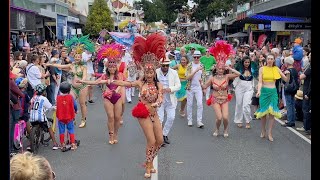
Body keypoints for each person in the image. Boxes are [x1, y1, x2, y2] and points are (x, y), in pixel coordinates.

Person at [107, 33, 165, 178]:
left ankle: (149, 161)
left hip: (154, 113)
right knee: (151, 140)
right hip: (143, 113)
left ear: (154, 71)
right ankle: (148, 165)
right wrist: (113, 81)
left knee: (160, 141)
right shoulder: (141, 83)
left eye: (151, 71)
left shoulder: (159, 84)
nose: (149, 74)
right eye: (147, 71)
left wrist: (158, 103)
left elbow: (161, 97)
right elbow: (126, 83)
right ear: (144, 71)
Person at [45, 35, 95, 128]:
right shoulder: (71, 65)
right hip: (73, 87)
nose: (77, 58)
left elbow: (84, 76)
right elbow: (60, 66)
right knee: (69, 101)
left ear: (81, 58)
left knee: (82, 104)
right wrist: (49, 64)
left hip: (82, 87)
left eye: (78, 57)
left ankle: (84, 119)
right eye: (75, 57)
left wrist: (82, 80)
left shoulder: (83, 67)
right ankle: (72, 117)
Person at [79, 55, 124, 145]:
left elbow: (121, 84)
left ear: (116, 67)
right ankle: (111, 135)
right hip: (108, 97)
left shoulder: (119, 75)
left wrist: (115, 90)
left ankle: (115, 134)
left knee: (117, 118)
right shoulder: (104, 76)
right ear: (108, 67)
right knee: (111, 117)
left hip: (117, 97)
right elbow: (95, 82)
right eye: (110, 66)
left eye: (114, 66)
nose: (112, 68)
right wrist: (83, 81)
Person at [201, 40, 241, 137]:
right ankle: (217, 129)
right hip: (215, 99)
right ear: (216, 69)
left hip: (225, 99)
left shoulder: (227, 76)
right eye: (219, 68)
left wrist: (230, 68)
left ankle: (226, 129)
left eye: (222, 69)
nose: (221, 70)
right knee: (219, 118)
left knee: (226, 117)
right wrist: (200, 82)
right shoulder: (212, 78)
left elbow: (239, 74)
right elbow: (204, 86)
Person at [255, 53, 289, 142]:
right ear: (266, 60)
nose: (270, 60)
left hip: (273, 92)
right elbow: (260, 82)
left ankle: (270, 133)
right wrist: (258, 91)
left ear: (274, 60)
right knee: (263, 114)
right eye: (268, 58)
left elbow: (286, 80)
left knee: (272, 113)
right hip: (264, 92)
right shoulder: (262, 69)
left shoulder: (276, 69)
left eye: (271, 59)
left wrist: (288, 73)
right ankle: (263, 130)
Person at [156, 57, 181, 145]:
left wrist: (169, 89)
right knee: (159, 119)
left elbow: (178, 86)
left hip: (170, 100)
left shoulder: (174, 73)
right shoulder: (156, 72)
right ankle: (159, 138)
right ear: (161, 65)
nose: (165, 67)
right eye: (164, 65)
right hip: (160, 99)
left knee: (171, 117)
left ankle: (164, 134)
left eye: (167, 65)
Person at [29, 84, 59, 150]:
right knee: (49, 128)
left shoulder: (33, 98)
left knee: (32, 128)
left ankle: (30, 144)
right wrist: (54, 108)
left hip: (32, 117)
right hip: (40, 117)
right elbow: (50, 107)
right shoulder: (44, 98)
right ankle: (55, 144)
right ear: (43, 92)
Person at [233, 56, 258, 128]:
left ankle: (248, 121)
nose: (247, 63)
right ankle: (239, 120)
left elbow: (257, 78)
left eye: (248, 62)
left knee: (246, 104)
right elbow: (234, 73)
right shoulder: (239, 69)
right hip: (239, 87)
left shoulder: (253, 69)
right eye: (245, 62)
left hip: (249, 87)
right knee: (239, 104)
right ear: (243, 62)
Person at [56, 82, 78, 151]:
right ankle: (73, 144)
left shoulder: (58, 97)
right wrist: (76, 110)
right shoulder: (70, 97)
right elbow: (75, 105)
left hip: (61, 117)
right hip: (69, 116)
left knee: (61, 131)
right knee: (71, 129)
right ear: (69, 90)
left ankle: (62, 144)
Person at [282, 57, 299, 127]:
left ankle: (289, 121)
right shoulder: (295, 70)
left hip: (288, 89)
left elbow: (285, 81)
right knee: (292, 104)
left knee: (289, 105)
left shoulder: (287, 71)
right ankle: (292, 120)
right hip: (294, 89)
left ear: (287, 63)